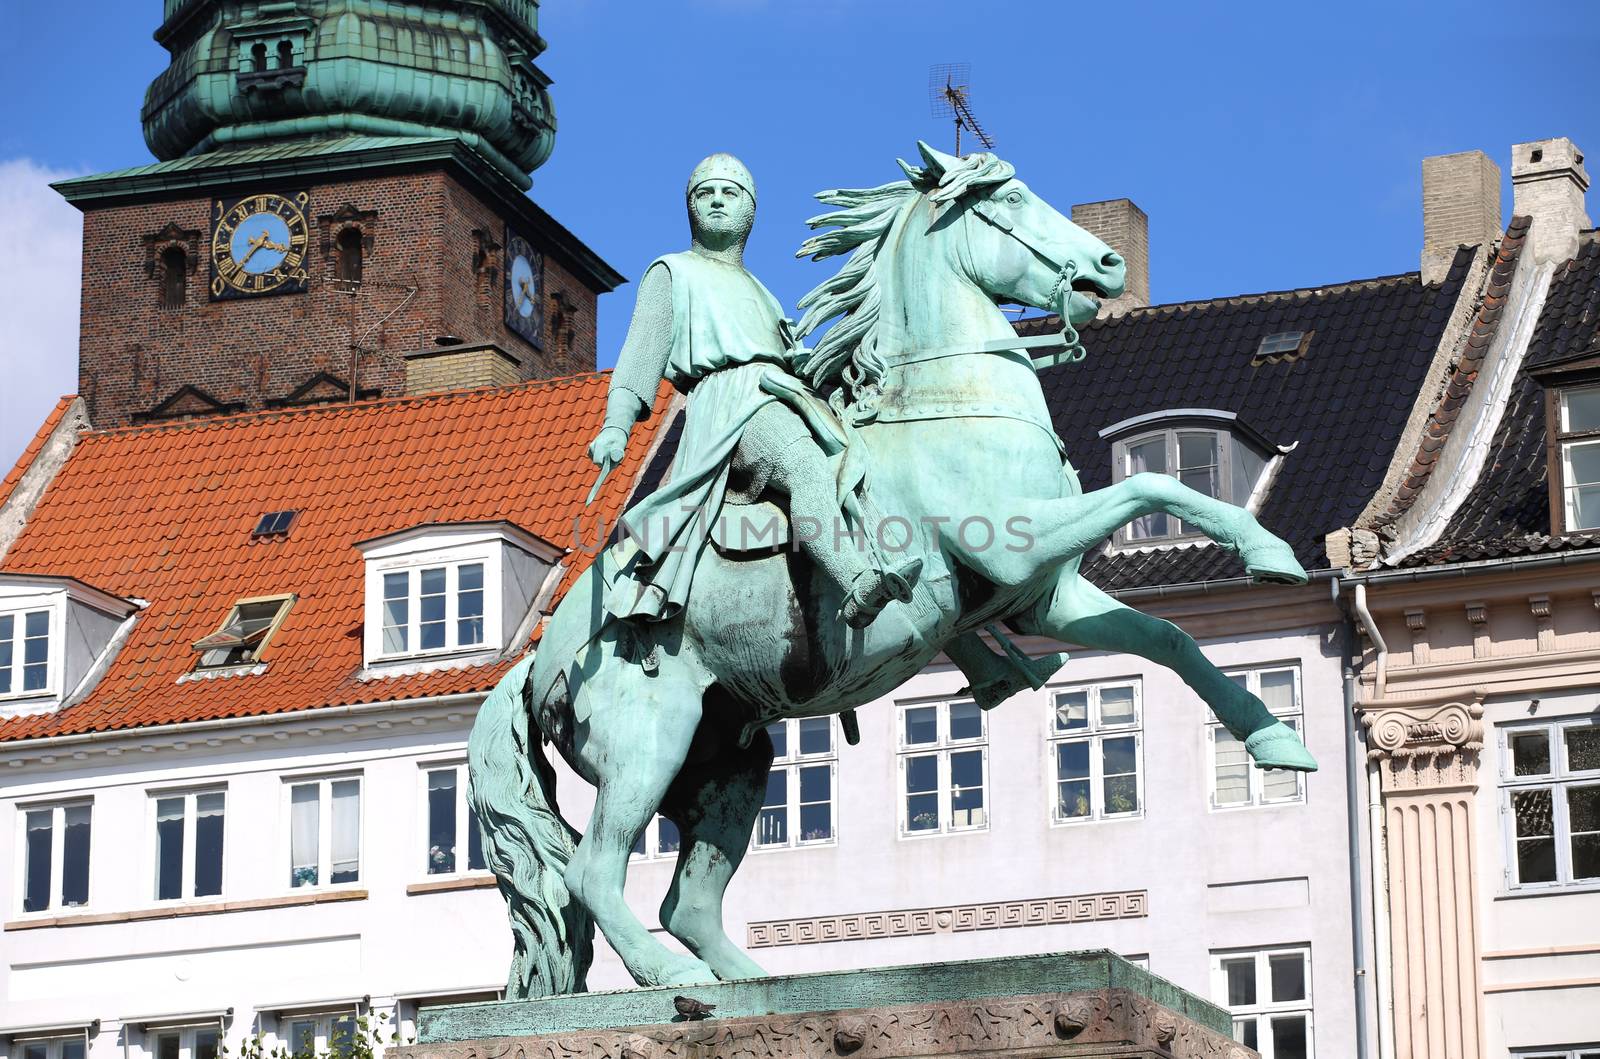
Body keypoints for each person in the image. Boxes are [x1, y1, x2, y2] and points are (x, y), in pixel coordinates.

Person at [588, 153, 921, 629]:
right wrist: (616, 427)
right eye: (705, 193)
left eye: (731, 192)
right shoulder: (672, 271)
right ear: (689, 209)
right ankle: (855, 583)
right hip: (732, 403)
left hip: (783, 396)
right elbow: (639, 358)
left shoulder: (762, 290)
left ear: (751, 210)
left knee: (863, 468)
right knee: (807, 467)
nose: (717, 201)